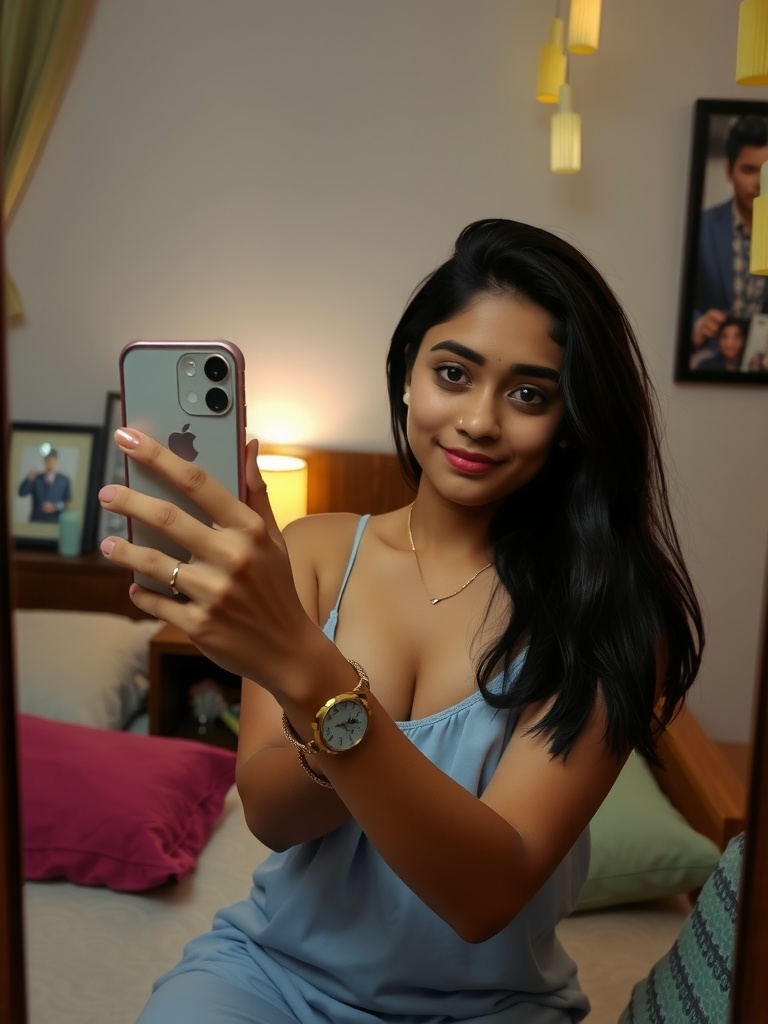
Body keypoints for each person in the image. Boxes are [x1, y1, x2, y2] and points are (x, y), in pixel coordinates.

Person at [98, 219, 703, 1024]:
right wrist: (291, 660)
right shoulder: (311, 555)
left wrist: (303, 664)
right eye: (454, 373)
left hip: (489, 1008)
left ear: (570, 424)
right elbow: (274, 820)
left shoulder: (613, 615)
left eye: (529, 393)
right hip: (274, 976)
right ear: (408, 377)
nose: (480, 420)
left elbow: (487, 893)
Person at [690, 115, 768, 367]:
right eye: (748, 170)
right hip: (710, 364)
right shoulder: (702, 226)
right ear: (728, 170)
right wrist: (697, 324)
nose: (759, 183)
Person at [17, 449, 72, 522]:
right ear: (44, 461)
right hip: (36, 521)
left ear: (56, 461)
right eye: (47, 460)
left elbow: (69, 503)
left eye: (52, 460)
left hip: (55, 522)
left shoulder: (64, 480)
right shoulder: (36, 479)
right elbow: (22, 493)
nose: (50, 463)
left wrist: (55, 507)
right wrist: (29, 479)